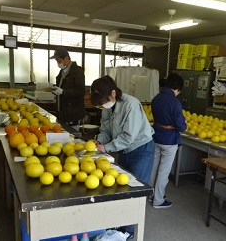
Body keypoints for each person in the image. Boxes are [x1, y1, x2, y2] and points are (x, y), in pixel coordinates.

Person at [90, 75, 155, 240]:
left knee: (135, 190)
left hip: (141, 149)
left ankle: (129, 232)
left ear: (113, 93)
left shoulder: (131, 105)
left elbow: (128, 136)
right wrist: (99, 140)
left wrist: (106, 147)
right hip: (124, 149)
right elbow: (106, 129)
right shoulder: (107, 106)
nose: (103, 105)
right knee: (122, 186)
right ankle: (119, 223)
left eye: (104, 101)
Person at [149, 73, 186, 208]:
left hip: (156, 136)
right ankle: (158, 201)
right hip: (169, 140)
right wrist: (184, 122)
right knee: (163, 172)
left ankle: (151, 195)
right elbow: (181, 126)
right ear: (177, 88)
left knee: (153, 168)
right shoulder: (175, 102)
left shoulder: (156, 98)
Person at [50, 46, 86, 128]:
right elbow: (61, 87)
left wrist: (63, 92)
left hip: (73, 113)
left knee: (72, 137)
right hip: (62, 112)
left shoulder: (77, 72)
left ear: (66, 58)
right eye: (57, 61)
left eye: (59, 61)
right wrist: (55, 90)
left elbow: (81, 91)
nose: (58, 63)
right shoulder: (62, 72)